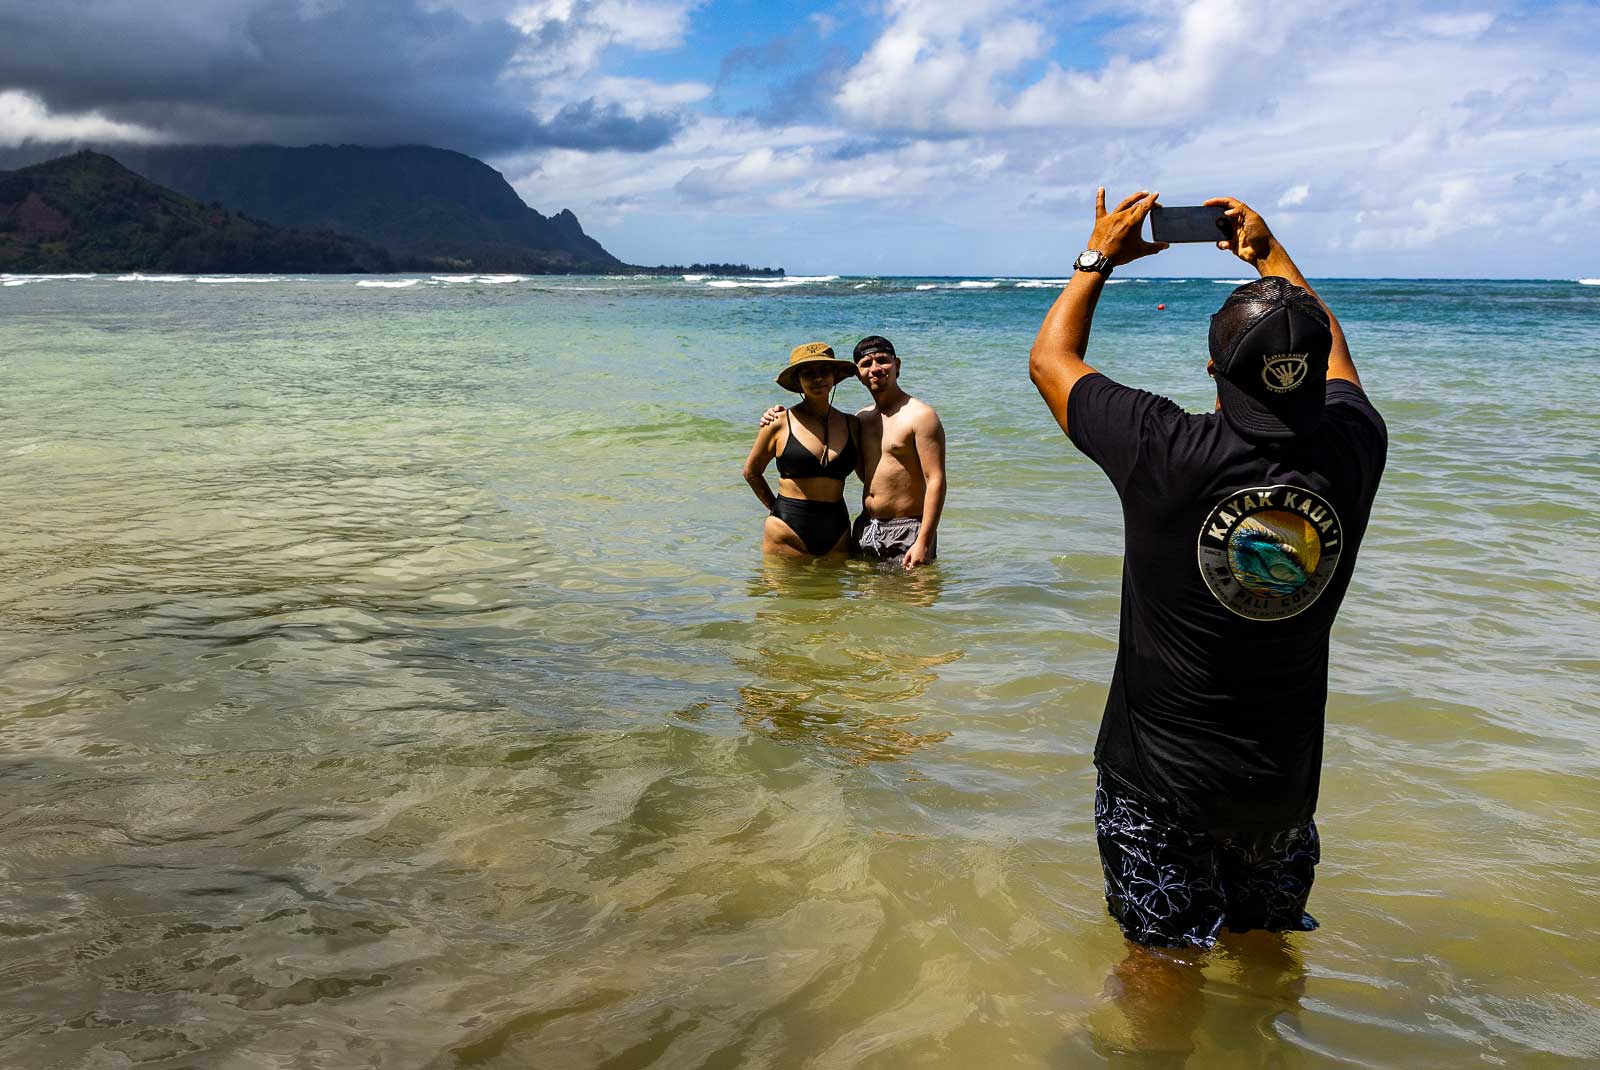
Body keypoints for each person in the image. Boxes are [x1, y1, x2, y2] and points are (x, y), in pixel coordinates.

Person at [1029, 189, 1387, 954]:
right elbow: (1338, 358)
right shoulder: (1355, 445)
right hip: (1282, 787)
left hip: (1159, 785)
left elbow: (1051, 361)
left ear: (1213, 368)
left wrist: (1097, 257)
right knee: (1267, 956)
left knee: (1160, 969)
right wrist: (1270, 255)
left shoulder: (1164, 449)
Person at [762, 335, 947, 570]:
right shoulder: (861, 420)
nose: (875, 369)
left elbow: (936, 481)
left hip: (908, 528)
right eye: (866, 364)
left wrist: (924, 541)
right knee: (862, 605)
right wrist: (777, 414)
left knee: (909, 603)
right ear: (858, 375)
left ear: (897, 365)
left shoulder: (920, 416)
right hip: (866, 526)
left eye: (882, 360)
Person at [744, 342, 861, 558]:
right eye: (808, 373)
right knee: (786, 593)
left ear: (835, 376)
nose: (817, 378)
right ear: (798, 380)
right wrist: (777, 510)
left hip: (838, 529)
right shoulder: (778, 422)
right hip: (787, 528)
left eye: (824, 371)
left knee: (833, 592)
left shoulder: (853, 424)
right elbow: (751, 472)